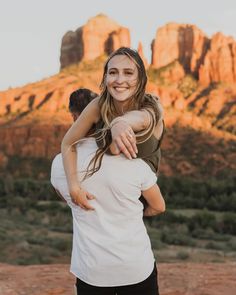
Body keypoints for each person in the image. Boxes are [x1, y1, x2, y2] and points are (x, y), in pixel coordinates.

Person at [51, 135, 165, 295]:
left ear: (74, 116)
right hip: (135, 266)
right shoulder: (133, 161)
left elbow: (66, 199)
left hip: (92, 270)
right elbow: (159, 206)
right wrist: (131, 212)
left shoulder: (59, 163)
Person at [61, 47, 165, 210]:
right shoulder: (98, 105)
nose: (119, 79)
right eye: (113, 72)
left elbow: (143, 119)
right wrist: (73, 187)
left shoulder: (152, 106)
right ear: (105, 77)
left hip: (140, 198)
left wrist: (119, 123)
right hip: (104, 196)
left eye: (129, 73)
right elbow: (68, 143)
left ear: (141, 79)